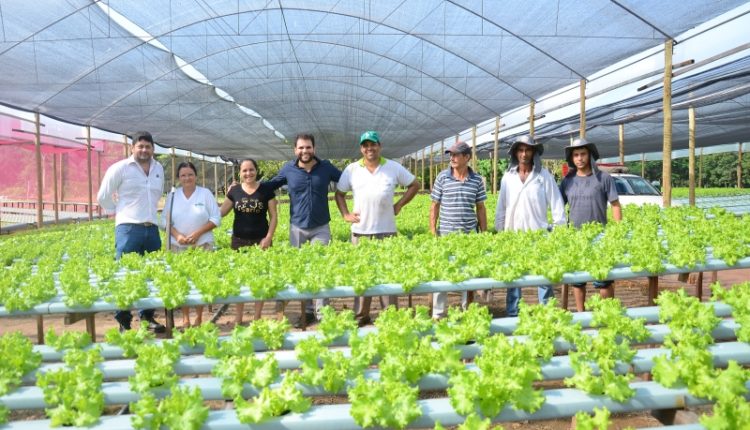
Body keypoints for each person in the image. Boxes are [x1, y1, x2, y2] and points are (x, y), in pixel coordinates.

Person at [335, 130, 420, 326]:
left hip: (387, 231)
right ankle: (361, 315)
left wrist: (399, 205)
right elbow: (339, 193)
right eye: (365, 145)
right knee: (361, 276)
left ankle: (389, 315)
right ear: (361, 149)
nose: (369, 148)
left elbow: (414, 185)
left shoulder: (392, 167)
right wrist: (345, 214)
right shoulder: (352, 169)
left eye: (373, 144)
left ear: (379, 146)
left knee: (388, 276)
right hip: (360, 233)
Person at [264, 133, 342, 326]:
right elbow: (269, 185)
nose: (304, 151)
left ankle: (322, 313)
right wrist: (245, 186)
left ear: (314, 149)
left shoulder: (326, 168)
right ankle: (306, 312)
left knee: (321, 268)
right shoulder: (288, 169)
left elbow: (347, 180)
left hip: (321, 227)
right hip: (297, 228)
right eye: (301, 147)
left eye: (308, 147)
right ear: (295, 150)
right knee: (301, 269)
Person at [97, 131, 167, 333]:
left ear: (153, 149)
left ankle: (147, 317)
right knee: (126, 274)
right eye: (140, 146)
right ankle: (124, 322)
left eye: (148, 146)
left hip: (151, 228)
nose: (144, 150)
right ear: (132, 148)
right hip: (128, 228)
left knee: (152, 273)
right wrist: (118, 210)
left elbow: (157, 194)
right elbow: (103, 196)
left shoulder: (158, 168)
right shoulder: (120, 168)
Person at [494, 135, 566, 317]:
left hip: (539, 236)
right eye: (520, 150)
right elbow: (501, 206)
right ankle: (513, 314)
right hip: (513, 236)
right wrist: (500, 231)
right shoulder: (508, 177)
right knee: (514, 279)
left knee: (544, 278)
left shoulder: (543, 176)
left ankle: (547, 313)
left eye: (528, 150)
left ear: (534, 153)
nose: (524, 154)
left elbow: (556, 204)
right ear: (515, 153)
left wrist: (558, 231)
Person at [560, 138, 622, 311]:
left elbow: (615, 205)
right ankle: (582, 315)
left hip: (600, 237)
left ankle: (606, 314)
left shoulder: (603, 178)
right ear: (572, 158)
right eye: (576, 155)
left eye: (583, 154)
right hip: (575, 238)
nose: (579, 158)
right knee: (578, 281)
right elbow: (558, 207)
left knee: (603, 280)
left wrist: (617, 233)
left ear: (590, 155)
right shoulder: (567, 181)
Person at [429, 141, 487, 319]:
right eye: (451, 155)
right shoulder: (442, 177)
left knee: (468, 276)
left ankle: (467, 312)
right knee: (442, 275)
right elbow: (434, 205)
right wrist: (433, 232)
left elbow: (480, 208)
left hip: (469, 237)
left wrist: (484, 233)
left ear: (467, 157)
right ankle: (438, 314)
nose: (452, 158)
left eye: (455, 155)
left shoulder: (476, 180)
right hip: (445, 236)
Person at [163, 161, 221, 327]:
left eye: (190, 174)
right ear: (178, 178)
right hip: (178, 246)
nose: (187, 178)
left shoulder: (205, 194)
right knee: (183, 282)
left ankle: (199, 316)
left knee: (200, 281)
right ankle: (186, 317)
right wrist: (177, 235)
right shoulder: (172, 196)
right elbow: (165, 220)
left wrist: (197, 233)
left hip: (202, 245)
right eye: (183, 175)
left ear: (196, 176)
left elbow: (216, 218)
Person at [220, 158, 278, 325]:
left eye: (251, 169)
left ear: (256, 170)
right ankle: (239, 317)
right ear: (240, 173)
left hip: (261, 242)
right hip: (239, 241)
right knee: (239, 280)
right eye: (244, 170)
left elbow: (274, 216)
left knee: (260, 279)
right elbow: (221, 212)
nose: (248, 173)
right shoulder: (235, 191)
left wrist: (268, 237)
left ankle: (257, 317)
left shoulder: (266, 190)